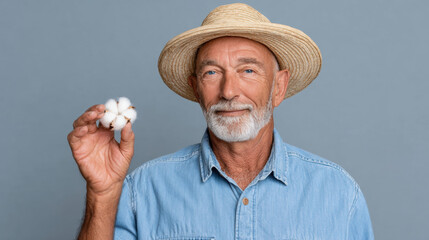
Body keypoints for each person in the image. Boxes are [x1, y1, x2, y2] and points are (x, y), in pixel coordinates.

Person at [67, 3, 374, 240]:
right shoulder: (144, 190)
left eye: (248, 71)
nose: (229, 91)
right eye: (212, 72)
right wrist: (102, 193)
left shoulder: (337, 193)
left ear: (278, 87)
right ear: (195, 88)